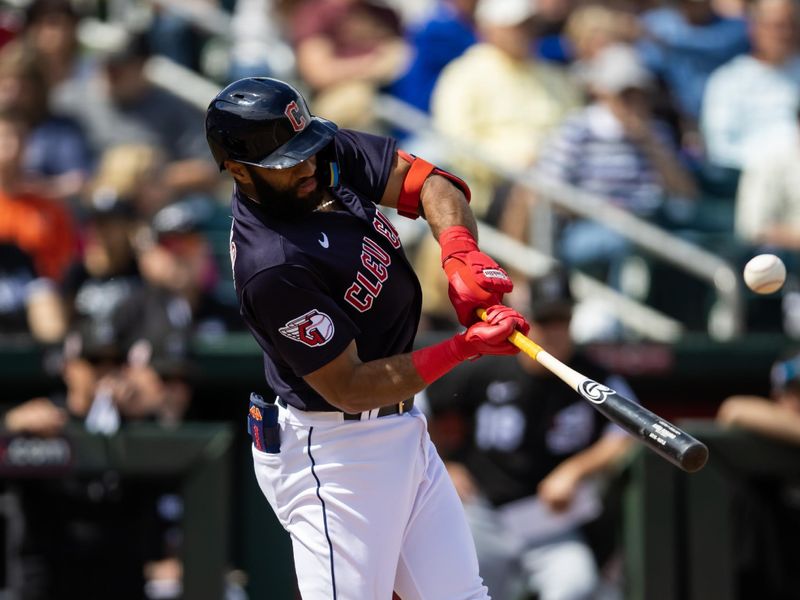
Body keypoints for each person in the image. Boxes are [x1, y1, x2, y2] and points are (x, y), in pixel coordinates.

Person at [205, 76, 530, 599]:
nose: (309, 166)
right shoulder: (273, 264)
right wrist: (463, 347)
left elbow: (432, 183)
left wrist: (458, 252)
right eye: (289, 163)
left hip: (401, 430)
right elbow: (350, 386)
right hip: (333, 452)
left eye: (307, 149)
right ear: (240, 170)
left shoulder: (319, 157)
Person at [424, 269, 635, 600]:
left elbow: (627, 431)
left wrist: (575, 470)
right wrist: (443, 463)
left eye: (561, 320)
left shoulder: (589, 374)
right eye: (545, 319)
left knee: (577, 584)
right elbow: (420, 404)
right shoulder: (489, 364)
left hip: (549, 522)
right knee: (457, 588)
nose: (553, 331)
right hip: (483, 513)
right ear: (528, 320)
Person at [700, 0, 800, 171]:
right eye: (777, 26)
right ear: (755, 28)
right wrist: (772, 163)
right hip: (753, 175)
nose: (785, 34)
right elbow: (720, 148)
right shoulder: (728, 80)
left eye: (791, 25)